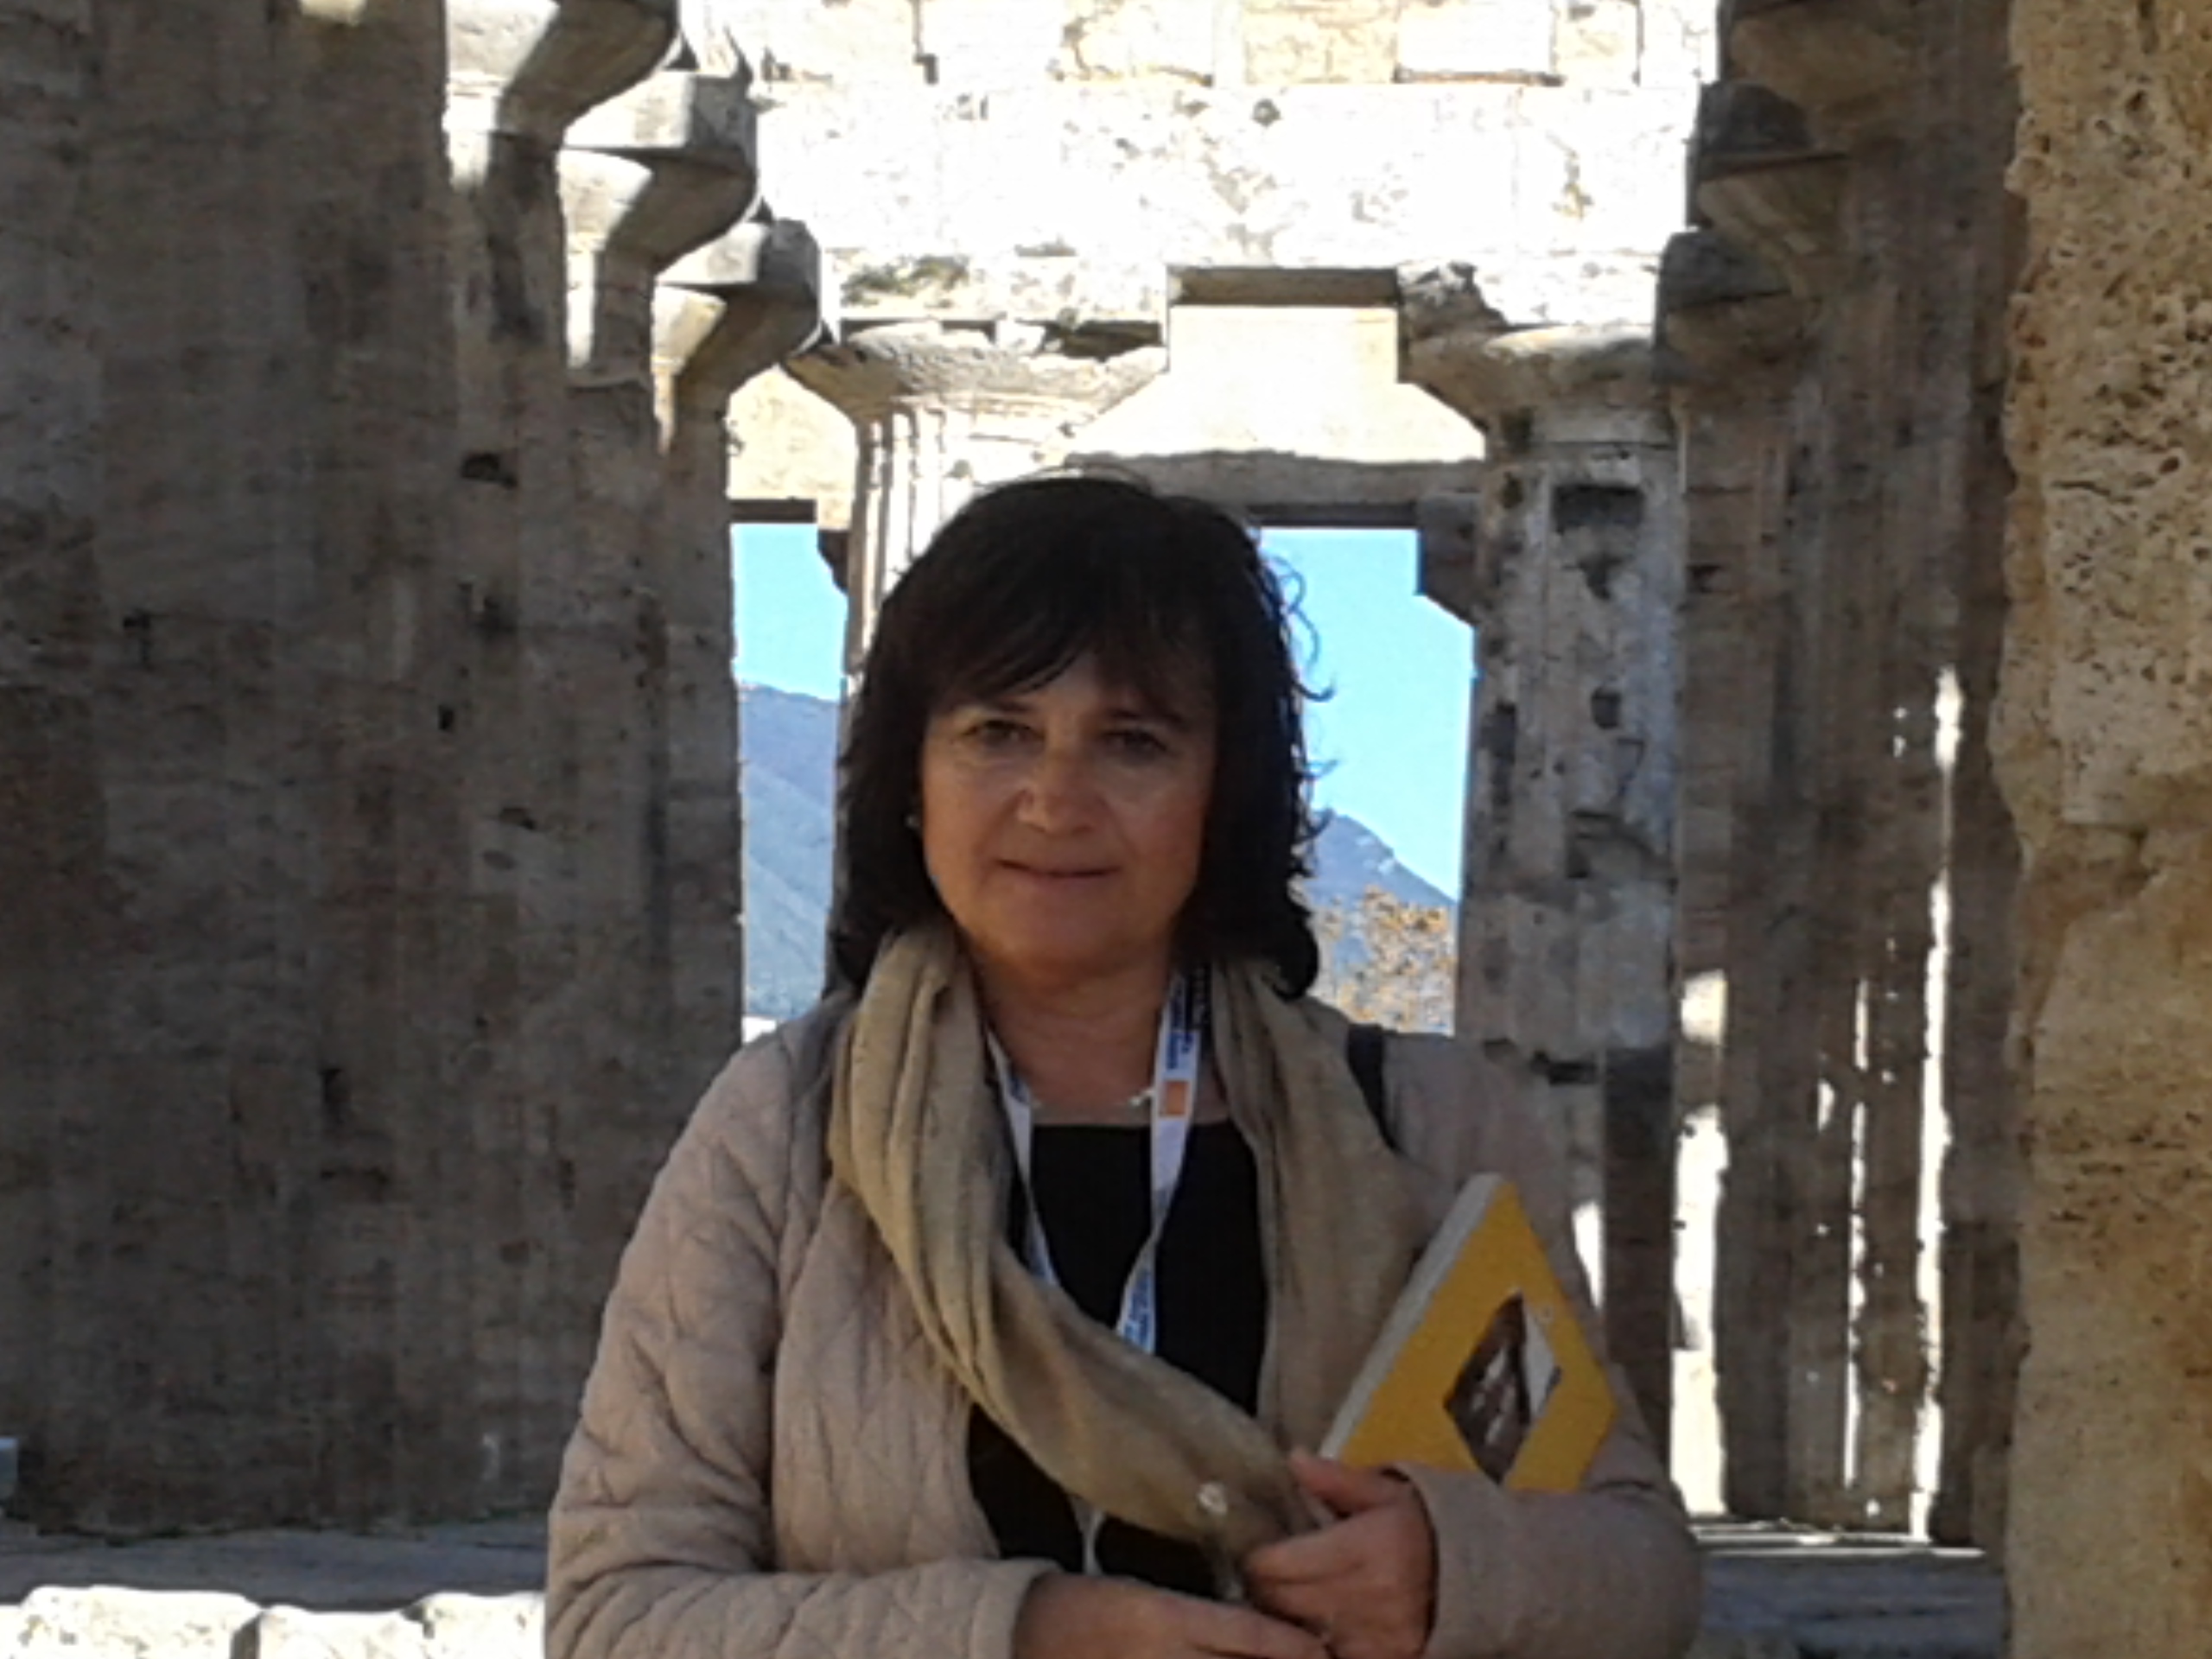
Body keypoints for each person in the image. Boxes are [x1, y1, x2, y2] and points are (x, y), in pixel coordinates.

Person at [546, 475, 1701, 1659]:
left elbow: (1646, 1567)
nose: (1057, 801)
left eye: (1133, 742)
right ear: (911, 780)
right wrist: (1024, 1635)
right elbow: (616, 1615)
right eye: (999, 732)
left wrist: (1457, 1573)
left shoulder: (1427, 1124)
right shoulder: (785, 1128)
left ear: (1223, 791)